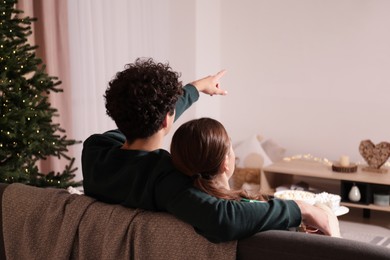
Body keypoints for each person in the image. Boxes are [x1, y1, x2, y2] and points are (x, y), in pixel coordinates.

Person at [82, 57, 332, 243]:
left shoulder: (95, 150)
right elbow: (222, 219)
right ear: (167, 121)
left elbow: (148, 120)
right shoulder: (164, 178)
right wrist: (301, 209)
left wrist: (194, 89)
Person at [171, 117, 340, 236]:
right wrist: (307, 210)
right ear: (225, 164)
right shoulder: (254, 214)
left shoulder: (176, 205)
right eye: (230, 148)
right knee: (325, 210)